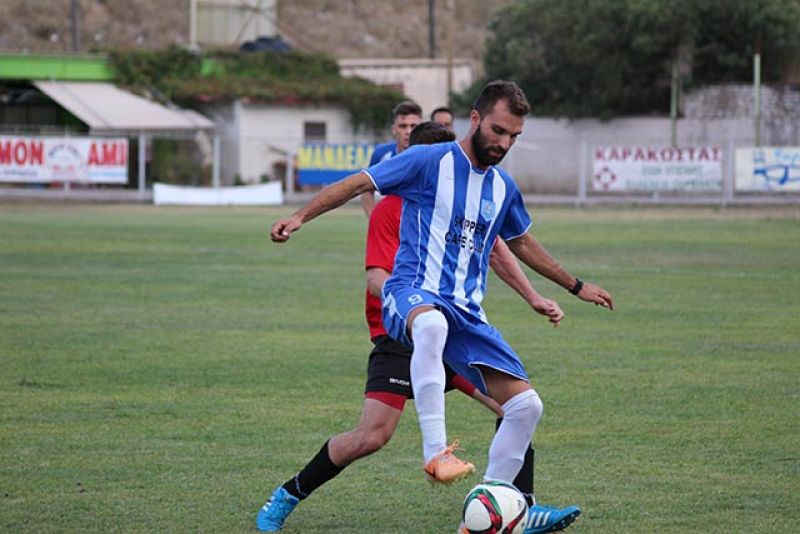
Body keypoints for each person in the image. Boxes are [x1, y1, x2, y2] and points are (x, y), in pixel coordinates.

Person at [270, 80, 613, 528]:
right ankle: (434, 454)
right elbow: (359, 183)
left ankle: (495, 513)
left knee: (526, 407)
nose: (504, 143)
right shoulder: (427, 164)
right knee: (396, 389)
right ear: (474, 120)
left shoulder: (501, 188)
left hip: (466, 317)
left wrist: (573, 286)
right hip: (412, 298)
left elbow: (516, 244)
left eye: (514, 136)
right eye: (498, 130)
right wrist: (299, 216)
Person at [360, 101, 422, 216]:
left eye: (413, 126)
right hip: (389, 226)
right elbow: (366, 191)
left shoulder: (431, 156)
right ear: (394, 129)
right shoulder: (382, 154)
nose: (408, 131)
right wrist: (375, 220)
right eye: (403, 126)